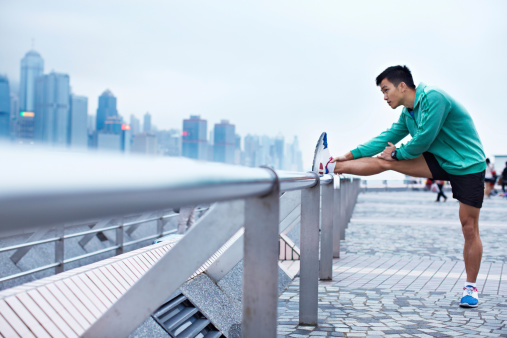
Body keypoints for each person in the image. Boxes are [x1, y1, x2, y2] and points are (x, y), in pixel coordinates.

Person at [313, 65, 486, 308]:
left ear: (402, 86)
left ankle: (471, 287)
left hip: (468, 164)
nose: (384, 97)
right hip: (439, 159)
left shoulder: (434, 98)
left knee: (469, 228)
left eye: (386, 90)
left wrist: (398, 154)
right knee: (386, 162)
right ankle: (329, 167)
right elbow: (386, 138)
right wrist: (348, 155)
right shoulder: (408, 113)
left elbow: (424, 138)